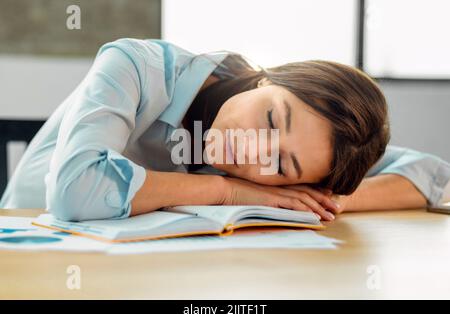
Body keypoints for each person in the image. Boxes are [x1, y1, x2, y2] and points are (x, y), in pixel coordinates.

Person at [1, 38, 449, 222]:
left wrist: (323, 201)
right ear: (270, 77)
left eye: (280, 164)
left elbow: (432, 174)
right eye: (273, 118)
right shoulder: (136, 65)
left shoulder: (317, 153)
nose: (253, 149)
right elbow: (73, 193)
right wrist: (230, 192)